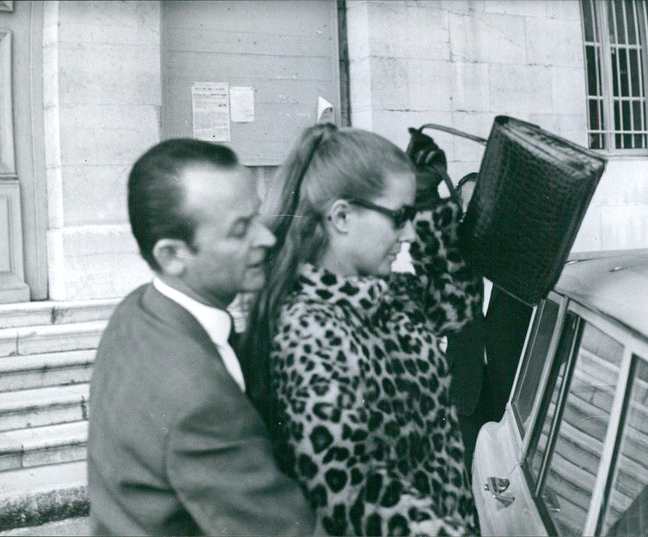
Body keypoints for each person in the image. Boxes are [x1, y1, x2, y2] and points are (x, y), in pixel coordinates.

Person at [244, 124, 482, 535]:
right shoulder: (309, 330)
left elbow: (456, 305)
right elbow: (348, 493)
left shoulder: (386, 296)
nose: (409, 233)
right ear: (341, 217)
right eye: (400, 217)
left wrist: (427, 204)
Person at [87, 139, 315, 535]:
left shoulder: (139, 309)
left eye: (257, 217)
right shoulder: (198, 400)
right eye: (241, 229)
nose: (267, 238)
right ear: (173, 255)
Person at [445, 173, 532, 474]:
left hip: (510, 394)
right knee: (466, 477)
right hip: (465, 391)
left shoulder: (520, 261)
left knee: (508, 477)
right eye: (468, 211)